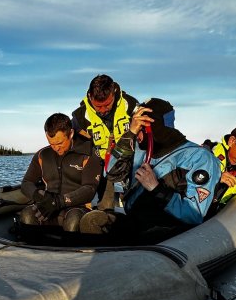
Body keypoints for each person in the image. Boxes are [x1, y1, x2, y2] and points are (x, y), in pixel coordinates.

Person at [81, 99, 220, 239]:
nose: (137, 134)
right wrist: (130, 133)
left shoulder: (199, 157)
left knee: (149, 235)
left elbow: (194, 214)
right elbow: (111, 172)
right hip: (136, 223)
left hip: (168, 232)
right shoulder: (140, 149)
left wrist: (156, 188)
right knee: (92, 221)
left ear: (154, 127)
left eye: (140, 127)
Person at [71, 74, 175, 209]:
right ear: (90, 97)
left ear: (114, 92)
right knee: (107, 207)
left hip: (132, 165)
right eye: (98, 106)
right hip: (104, 169)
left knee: (133, 203)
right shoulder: (79, 116)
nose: (102, 110)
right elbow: (78, 143)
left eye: (107, 105)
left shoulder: (131, 105)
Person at [19, 113, 103, 232]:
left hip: (77, 208)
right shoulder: (42, 155)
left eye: (59, 143)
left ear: (71, 134)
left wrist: (58, 202)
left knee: (73, 221)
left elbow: (89, 189)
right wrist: (40, 197)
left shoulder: (88, 154)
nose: (56, 148)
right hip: (47, 207)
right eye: (51, 144)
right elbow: (26, 183)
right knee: (27, 215)